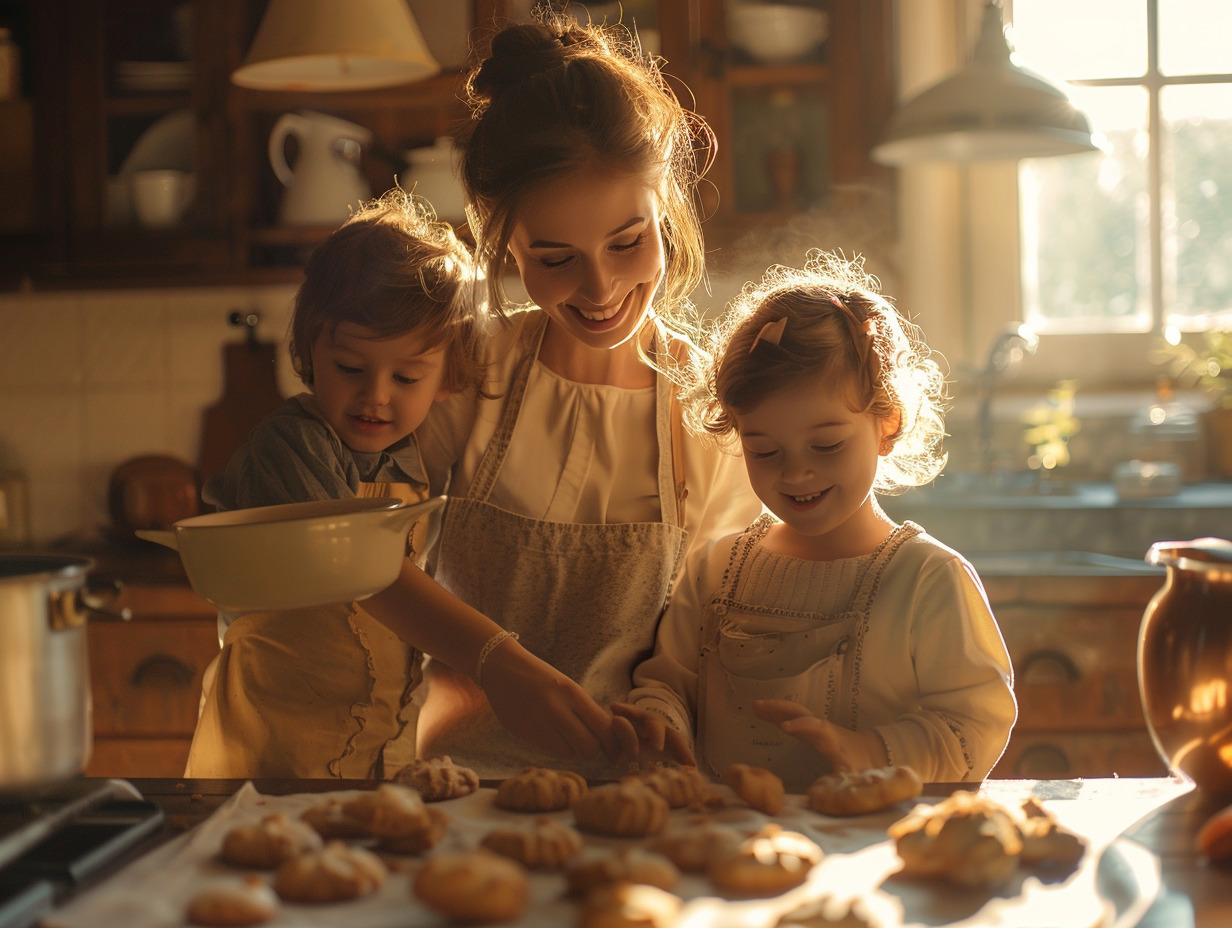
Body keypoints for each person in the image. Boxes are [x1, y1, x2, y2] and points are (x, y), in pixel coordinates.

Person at [410, 14, 763, 778]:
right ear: (505, 241)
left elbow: (715, 627)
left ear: (665, 210)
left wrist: (667, 705)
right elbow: (367, 565)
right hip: (457, 788)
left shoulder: (709, 414)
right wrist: (494, 661)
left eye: (628, 241)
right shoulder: (468, 375)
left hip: (635, 796)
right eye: (555, 256)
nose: (600, 288)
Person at [619, 250, 1017, 791]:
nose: (797, 472)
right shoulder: (714, 570)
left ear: (887, 425)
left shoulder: (928, 580)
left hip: (873, 855)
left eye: (826, 444)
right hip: (732, 846)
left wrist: (871, 751)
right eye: (763, 450)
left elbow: (977, 722)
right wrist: (658, 720)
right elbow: (670, 681)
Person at [185, 189, 488, 778]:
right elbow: (350, 564)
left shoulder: (414, 463)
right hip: (266, 756)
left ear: (446, 381)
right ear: (309, 349)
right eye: (351, 368)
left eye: (406, 376)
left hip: (379, 753)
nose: (375, 395)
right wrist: (493, 658)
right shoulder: (291, 447)